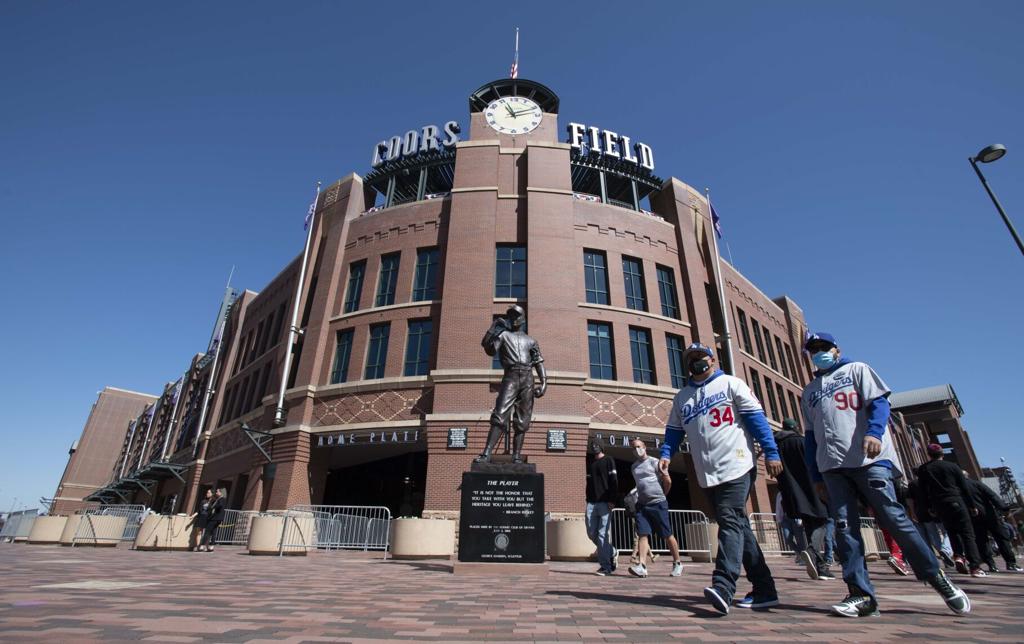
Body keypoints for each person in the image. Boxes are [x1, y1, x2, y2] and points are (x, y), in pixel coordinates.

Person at [800, 332, 970, 617]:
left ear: (836, 350)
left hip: (868, 459)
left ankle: (935, 576)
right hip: (832, 466)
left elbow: (880, 404)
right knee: (844, 528)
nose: (819, 353)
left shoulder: (858, 370)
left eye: (823, 348)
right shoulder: (810, 391)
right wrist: (816, 477)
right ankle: (860, 594)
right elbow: (810, 437)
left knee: (893, 518)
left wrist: (875, 433)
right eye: (813, 349)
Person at [659, 344, 782, 615]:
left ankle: (724, 585)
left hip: (737, 464)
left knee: (728, 519)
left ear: (712, 360)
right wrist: (667, 452)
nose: (697, 363)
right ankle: (765, 589)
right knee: (738, 525)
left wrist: (772, 452)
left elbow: (756, 420)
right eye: (691, 359)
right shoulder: (683, 397)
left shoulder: (731, 384)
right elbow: (673, 431)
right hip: (708, 472)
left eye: (701, 358)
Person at [475, 305, 547, 463]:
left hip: (528, 378)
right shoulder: (504, 335)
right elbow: (488, 349)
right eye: (511, 316)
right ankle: (487, 453)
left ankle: (516, 456)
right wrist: (494, 328)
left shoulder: (531, 341)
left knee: (523, 419)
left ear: (523, 319)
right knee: (500, 414)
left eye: (516, 316)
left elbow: (538, 361)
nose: (513, 319)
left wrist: (544, 382)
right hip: (511, 376)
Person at [773, 418, 835, 580]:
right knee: (822, 521)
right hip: (811, 488)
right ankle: (812, 551)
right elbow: (817, 463)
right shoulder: (802, 442)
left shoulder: (776, 446)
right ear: (797, 428)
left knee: (810, 525)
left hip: (790, 492)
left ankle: (820, 566)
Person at [916, 444, 985, 577]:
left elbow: (923, 492)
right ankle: (975, 566)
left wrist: (929, 507)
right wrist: (972, 505)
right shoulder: (953, 466)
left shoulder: (924, 469)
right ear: (942, 454)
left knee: (952, 532)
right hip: (956, 500)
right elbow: (964, 487)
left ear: (928, 454)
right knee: (967, 534)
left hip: (939, 504)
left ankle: (958, 556)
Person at [628, 438, 684, 579]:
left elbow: (668, 480)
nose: (637, 450)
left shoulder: (655, 462)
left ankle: (677, 562)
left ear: (645, 446)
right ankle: (642, 565)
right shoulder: (634, 467)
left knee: (666, 534)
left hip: (658, 503)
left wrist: (663, 494)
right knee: (643, 533)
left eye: (639, 446)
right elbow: (639, 484)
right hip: (642, 504)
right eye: (634, 448)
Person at [963, 472, 1022, 572]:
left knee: (982, 541)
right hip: (989, 514)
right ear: (968, 475)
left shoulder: (959, 488)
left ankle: (991, 565)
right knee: (1001, 538)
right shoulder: (977, 484)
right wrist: (1004, 508)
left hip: (974, 517)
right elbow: (992, 495)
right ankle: (1011, 563)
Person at [907, 476, 956, 569]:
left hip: (923, 512)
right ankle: (946, 550)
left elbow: (910, 500)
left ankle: (944, 554)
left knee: (933, 535)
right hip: (938, 510)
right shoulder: (931, 481)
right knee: (948, 532)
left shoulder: (912, 484)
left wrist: (913, 512)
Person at [586, 439, 618, 575]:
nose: (594, 447)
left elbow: (614, 481)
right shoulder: (591, 462)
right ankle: (612, 551)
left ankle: (606, 567)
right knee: (591, 533)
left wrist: (612, 499)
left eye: (597, 445)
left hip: (605, 502)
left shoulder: (609, 460)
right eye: (592, 445)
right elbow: (589, 481)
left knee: (602, 535)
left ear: (602, 446)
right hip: (591, 503)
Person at [199, 488, 225, 552]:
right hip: (217, 518)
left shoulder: (221, 499)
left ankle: (202, 546)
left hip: (215, 518)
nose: (216, 493)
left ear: (221, 493)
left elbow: (220, 506)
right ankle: (211, 547)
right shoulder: (219, 499)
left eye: (217, 492)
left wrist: (213, 507)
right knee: (213, 532)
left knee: (207, 531)